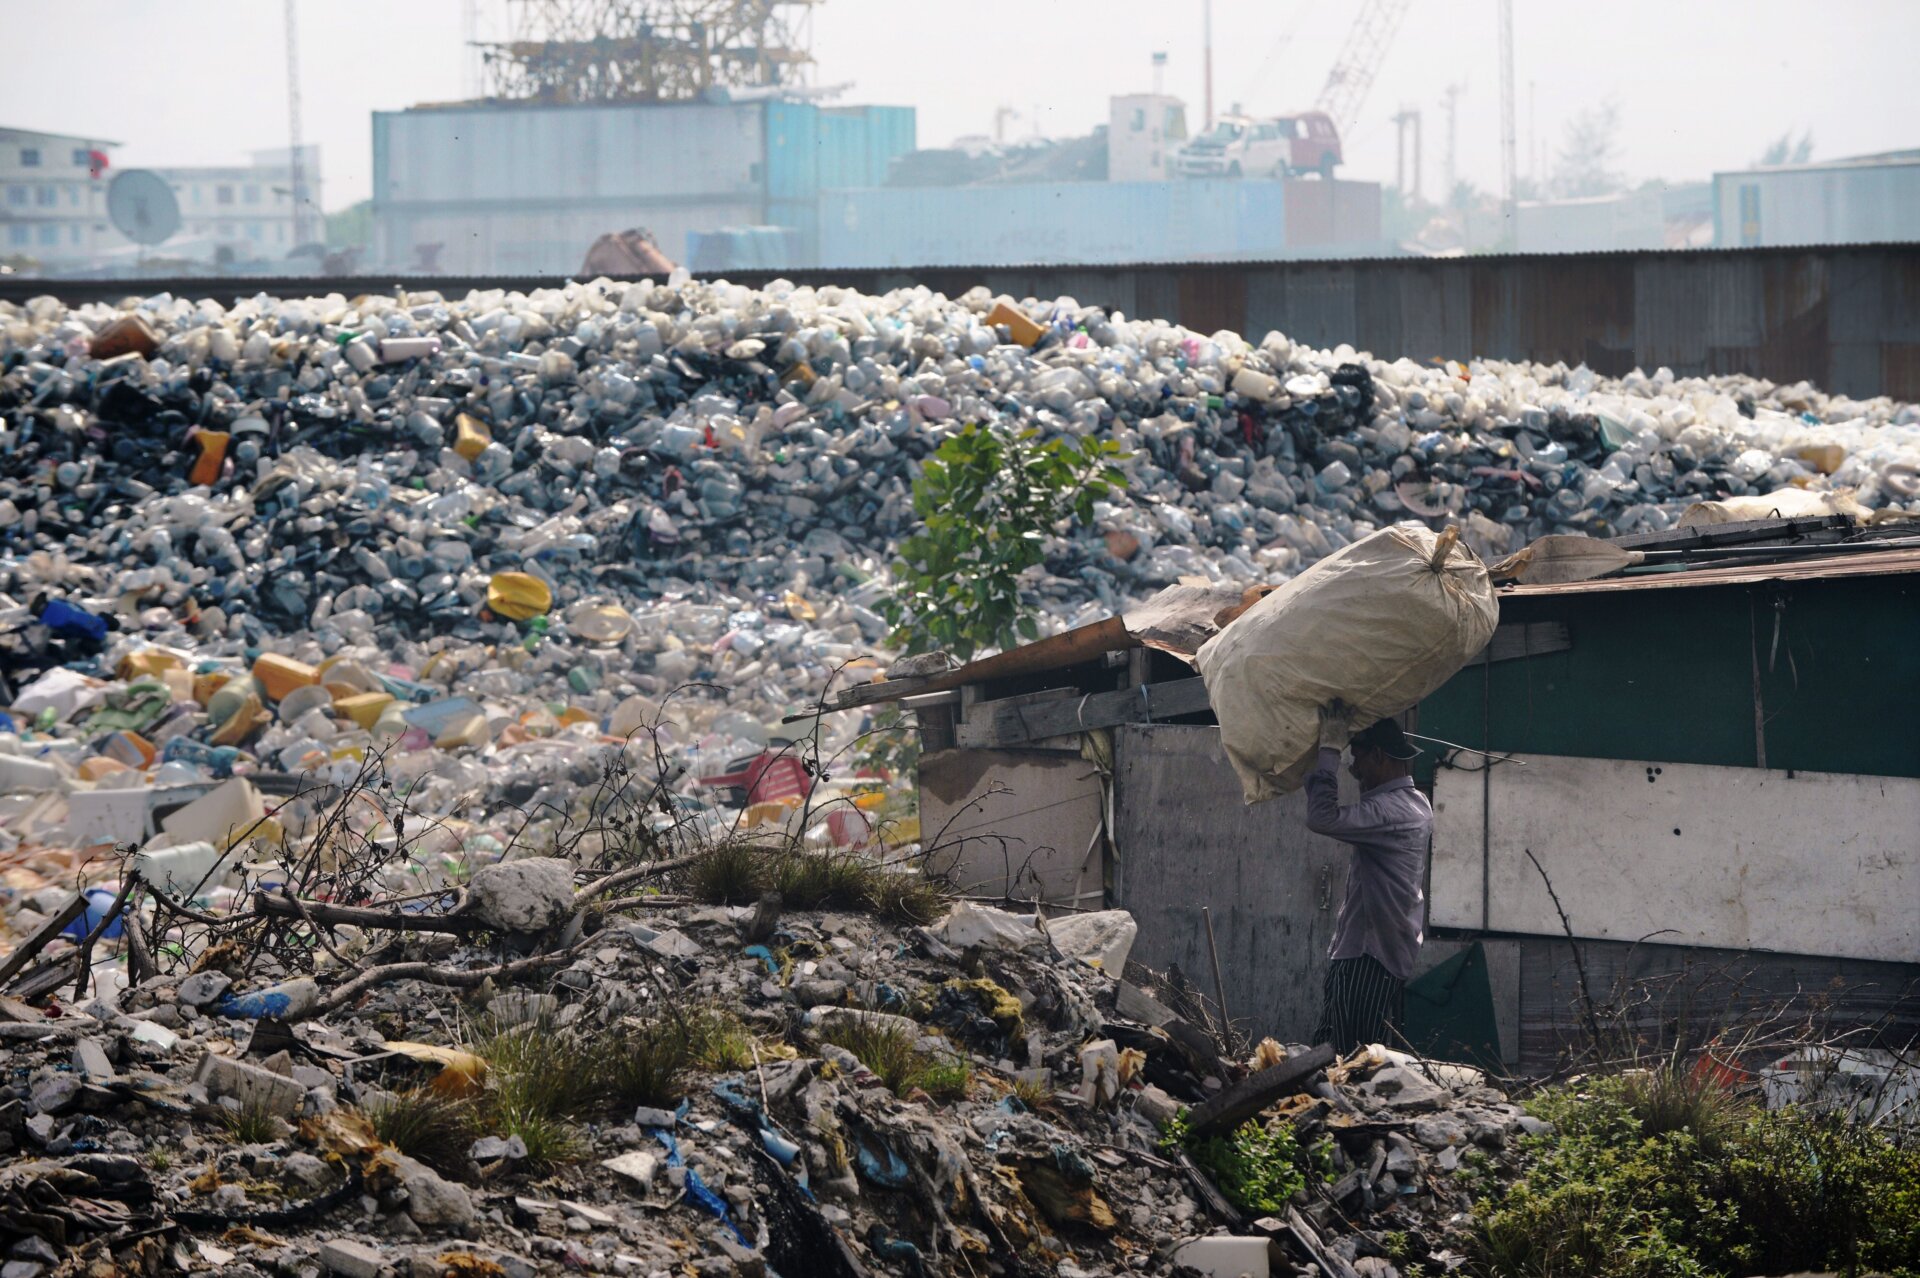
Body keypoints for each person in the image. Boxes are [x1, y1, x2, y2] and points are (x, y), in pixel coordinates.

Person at [1303, 706, 1433, 1053]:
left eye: (1357, 759)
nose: (1353, 769)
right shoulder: (1416, 803)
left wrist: (1328, 750)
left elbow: (1322, 819)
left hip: (1367, 955)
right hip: (1371, 950)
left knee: (1348, 1057)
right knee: (1339, 1050)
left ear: (1378, 755)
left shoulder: (1393, 811)